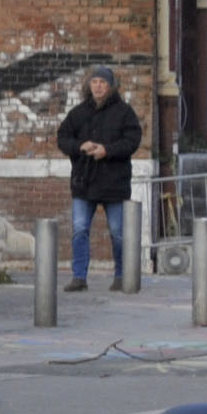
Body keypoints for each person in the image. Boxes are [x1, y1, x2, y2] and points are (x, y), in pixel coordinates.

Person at [57, 66, 143, 293]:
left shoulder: (124, 112)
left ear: (111, 86)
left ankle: (121, 275)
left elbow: (133, 140)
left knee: (118, 232)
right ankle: (79, 277)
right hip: (84, 181)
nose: (98, 86)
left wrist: (107, 150)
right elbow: (62, 138)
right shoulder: (78, 113)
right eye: (94, 82)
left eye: (102, 83)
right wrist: (79, 146)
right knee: (79, 229)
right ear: (89, 85)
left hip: (114, 182)